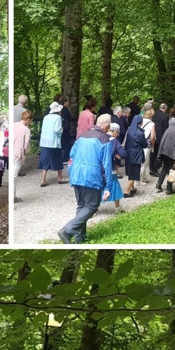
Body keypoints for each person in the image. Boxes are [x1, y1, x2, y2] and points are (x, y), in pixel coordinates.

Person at [58, 114, 113, 244]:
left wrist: (72, 176)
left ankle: (79, 237)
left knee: (82, 205)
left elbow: (71, 157)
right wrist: (108, 187)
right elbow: (107, 164)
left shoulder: (81, 136)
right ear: (106, 127)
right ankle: (67, 230)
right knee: (92, 206)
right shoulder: (104, 139)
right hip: (92, 176)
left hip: (77, 174)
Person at [155, 117, 175, 195]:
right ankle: (169, 189)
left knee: (165, 167)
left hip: (163, 151)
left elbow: (162, 139)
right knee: (171, 170)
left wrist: (159, 153)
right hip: (172, 153)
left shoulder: (169, 129)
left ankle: (159, 184)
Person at [39, 102, 66, 186]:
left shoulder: (46, 117)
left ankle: (43, 179)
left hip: (44, 141)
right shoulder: (58, 118)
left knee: (45, 159)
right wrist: (62, 129)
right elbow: (57, 129)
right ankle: (60, 177)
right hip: (54, 141)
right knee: (57, 158)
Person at [103, 123, 126, 213]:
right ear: (115, 131)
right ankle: (117, 208)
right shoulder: (115, 141)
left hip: (99, 168)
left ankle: (94, 209)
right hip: (110, 167)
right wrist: (117, 155)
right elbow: (123, 154)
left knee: (99, 186)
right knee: (114, 185)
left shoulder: (101, 138)